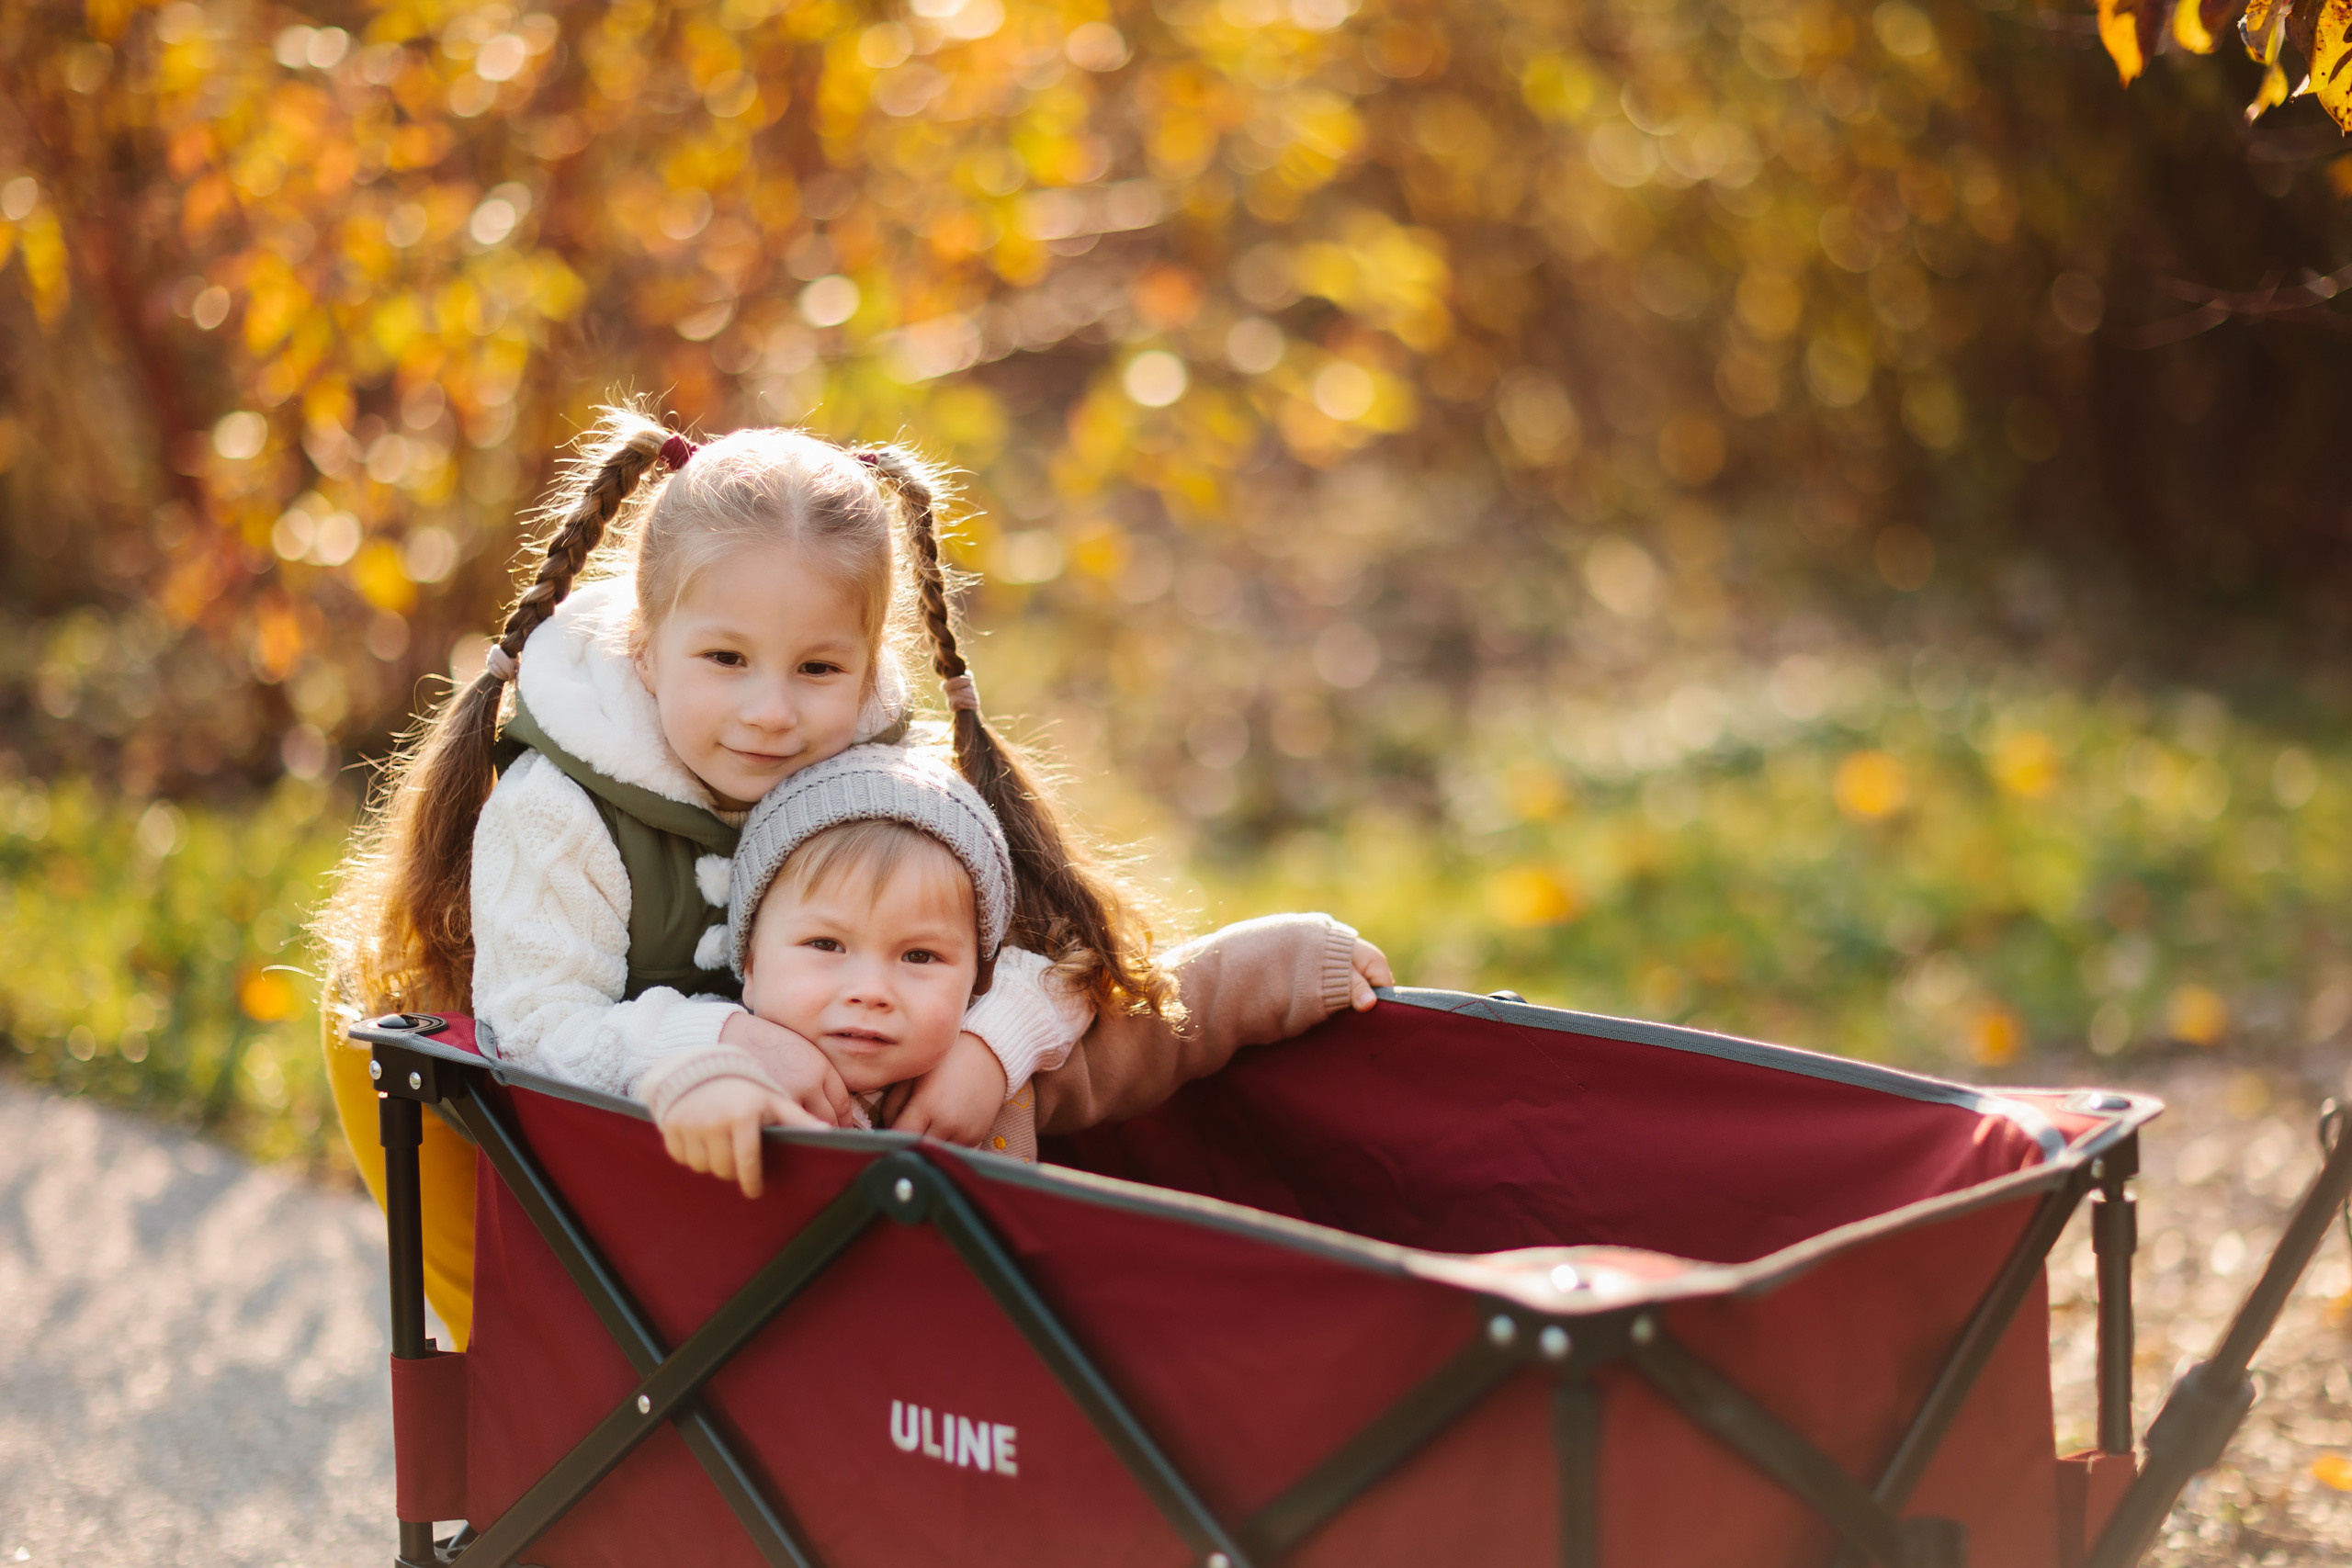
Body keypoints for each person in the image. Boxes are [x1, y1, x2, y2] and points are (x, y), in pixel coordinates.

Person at [314, 406, 1390, 1347]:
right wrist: (725, 1038)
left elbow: (1049, 956)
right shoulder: (562, 816)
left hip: (843, 1186)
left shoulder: (875, 784)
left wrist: (984, 1048)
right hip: (614, 1161)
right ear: (646, 647)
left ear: (871, 661)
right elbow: (535, 1029)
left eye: (819, 668)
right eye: (725, 660)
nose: (773, 712)